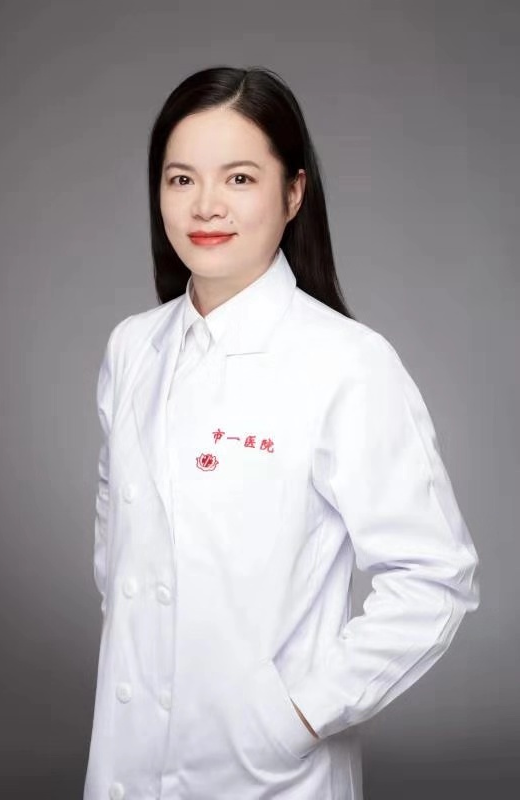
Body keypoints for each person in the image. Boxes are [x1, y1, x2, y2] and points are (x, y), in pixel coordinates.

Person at [83, 66, 480, 800]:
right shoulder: (132, 347)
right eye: (180, 179)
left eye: (239, 178)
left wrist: (296, 714)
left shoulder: (347, 362)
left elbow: (434, 578)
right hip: (127, 754)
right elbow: (121, 540)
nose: (205, 205)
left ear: (293, 192)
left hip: (268, 768)